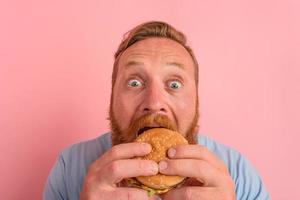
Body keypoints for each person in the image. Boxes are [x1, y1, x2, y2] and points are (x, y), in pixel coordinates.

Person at [43, 21, 270, 200]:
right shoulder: (70, 167)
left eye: (174, 85)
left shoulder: (237, 174)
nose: (154, 102)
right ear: (112, 98)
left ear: (196, 101)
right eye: (134, 83)